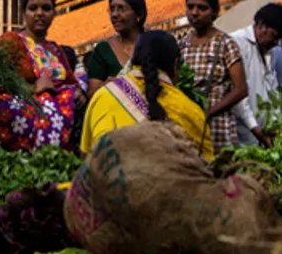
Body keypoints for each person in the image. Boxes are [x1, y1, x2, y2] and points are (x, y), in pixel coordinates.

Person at [0, 0, 83, 152]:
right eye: (33, 8)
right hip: (24, 123)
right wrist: (32, 88)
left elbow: (71, 81)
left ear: (54, 13)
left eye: (46, 8)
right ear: (24, 13)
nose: (39, 13)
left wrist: (78, 93)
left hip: (61, 125)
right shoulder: (11, 42)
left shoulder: (55, 49)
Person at [80, 30, 214, 161]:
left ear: (132, 63)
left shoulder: (103, 96)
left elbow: (85, 158)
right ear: (176, 65)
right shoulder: (192, 112)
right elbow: (207, 170)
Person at [179, 0, 248, 151]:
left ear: (215, 12)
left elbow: (241, 89)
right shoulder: (180, 46)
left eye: (202, 8)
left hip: (219, 125)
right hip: (189, 124)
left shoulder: (225, 43)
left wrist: (210, 111)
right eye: (190, 7)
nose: (194, 12)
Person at [230, 3, 282, 147]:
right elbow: (238, 96)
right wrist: (256, 130)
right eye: (275, 37)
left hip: (265, 134)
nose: (276, 43)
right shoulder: (236, 43)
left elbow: (271, 88)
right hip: (245, 135)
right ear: (261, 25)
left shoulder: (268, 50)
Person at [83, 0, 147, 95]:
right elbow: (91, 93)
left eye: (121, 8)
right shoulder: (103, 50)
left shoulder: (154, 44)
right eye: (112, 9)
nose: (114, 15)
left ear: (139, 14)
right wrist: (106, 87)